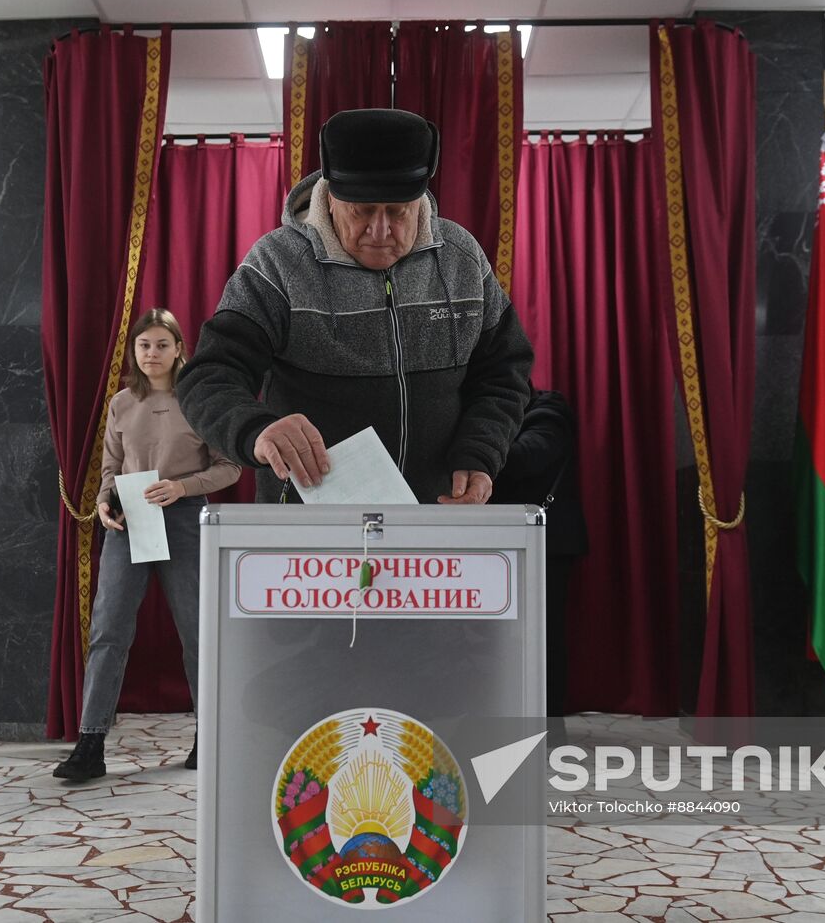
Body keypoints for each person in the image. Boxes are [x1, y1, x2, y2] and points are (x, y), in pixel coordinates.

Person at [177, 109, 532, 505]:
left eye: (399, 213)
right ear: (330, 198)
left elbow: (504, 373)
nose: (380, 232)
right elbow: (208, 376)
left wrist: (481, 452)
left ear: (419, 201)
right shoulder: (276, 264)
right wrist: (256, 429)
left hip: (436, 515)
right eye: (361, 212)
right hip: (309, 522)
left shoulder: (462, 259)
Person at [55, 309, 241, 782]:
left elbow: (230, 468)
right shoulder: (121, 403)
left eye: (161, 344)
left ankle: (211, 738)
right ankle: (90, 744)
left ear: (179, 347)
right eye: (144, 346)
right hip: (129, 519)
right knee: (108, 631)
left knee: (197, 634)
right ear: (134, 352)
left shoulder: (199, 401)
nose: (152, 353)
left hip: (183, 520)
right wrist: (101, 503)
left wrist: (183, 488)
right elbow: (111, 467)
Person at [491, 386, 589, 717]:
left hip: (548, 546)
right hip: (502, 545)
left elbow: (530, 456)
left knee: (544, 640)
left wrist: (474, 454)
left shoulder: (547, 407)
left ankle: (550, 728)